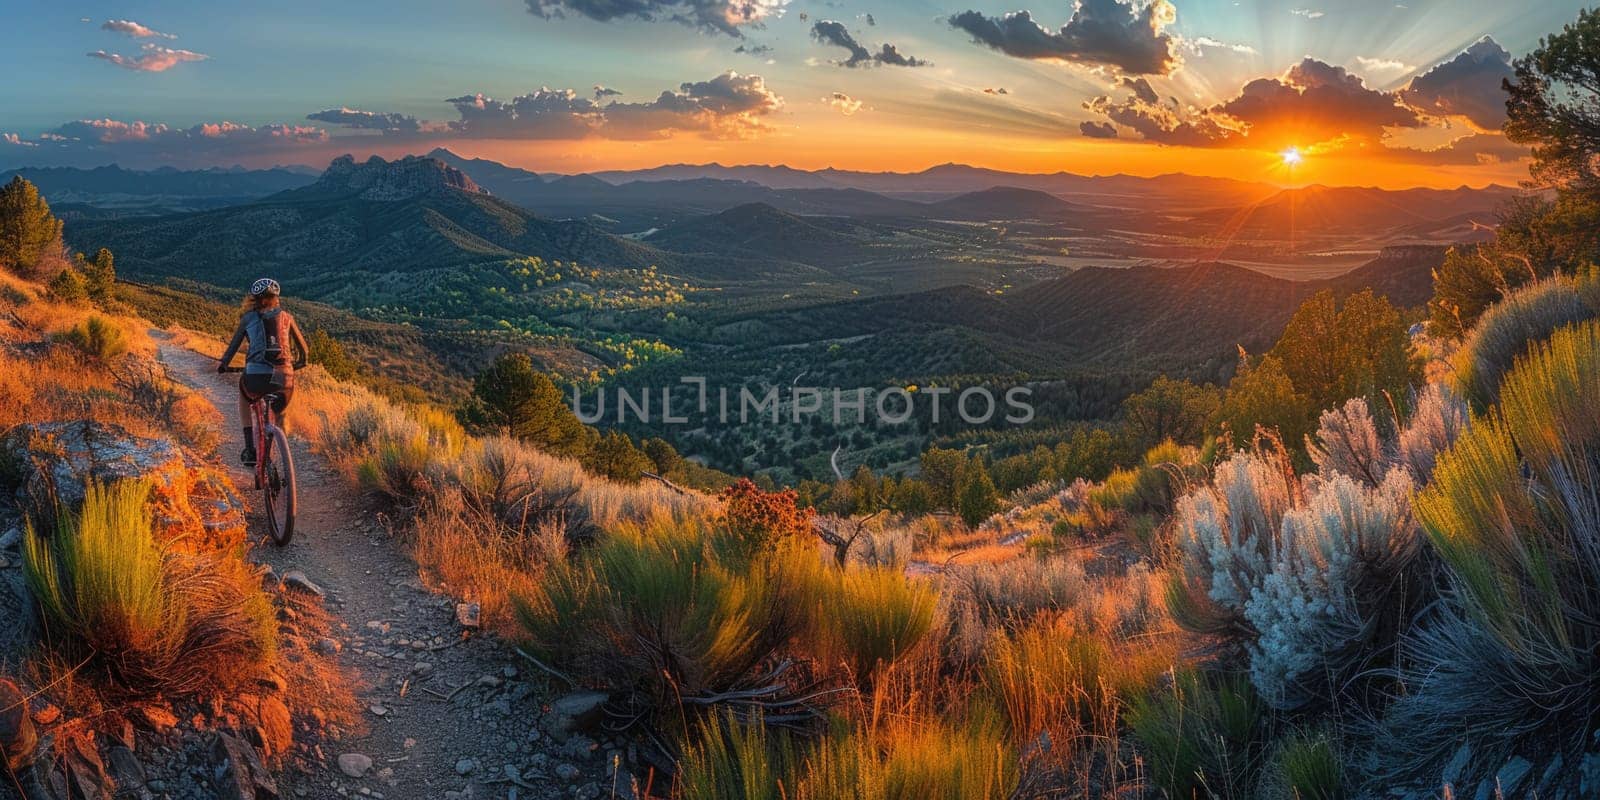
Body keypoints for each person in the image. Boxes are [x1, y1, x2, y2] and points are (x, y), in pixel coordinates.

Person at [218, 278, 309, 466]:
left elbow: (232, 349)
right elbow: (305, 353)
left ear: (254, 299)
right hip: (285, 378)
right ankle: (280, 451)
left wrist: (224, 365)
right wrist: (296, 365)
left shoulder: (247, 319)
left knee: (244, 397)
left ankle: (250, 449)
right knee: (278, 409)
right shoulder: (287, 317)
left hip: (255, 377)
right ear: (276, 298)